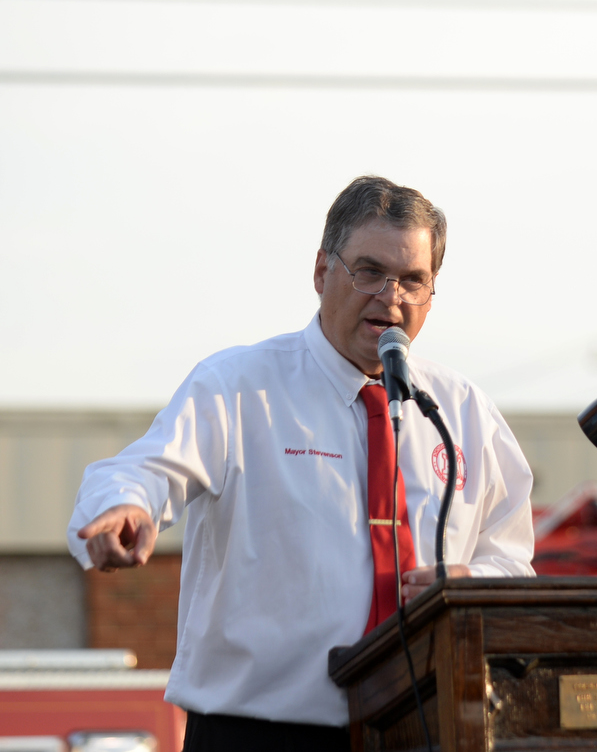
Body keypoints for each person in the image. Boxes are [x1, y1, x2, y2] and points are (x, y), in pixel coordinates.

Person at [66, 176, 535, 750]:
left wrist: (468, 583)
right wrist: (125, 509)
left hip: (424, 730)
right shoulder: (240, 387)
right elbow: (144, 470)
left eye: (413, 281)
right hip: (257, 734)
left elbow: (512, 563)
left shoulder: (462, 412)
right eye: (369, 271)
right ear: (321, 273)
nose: (391, 297)